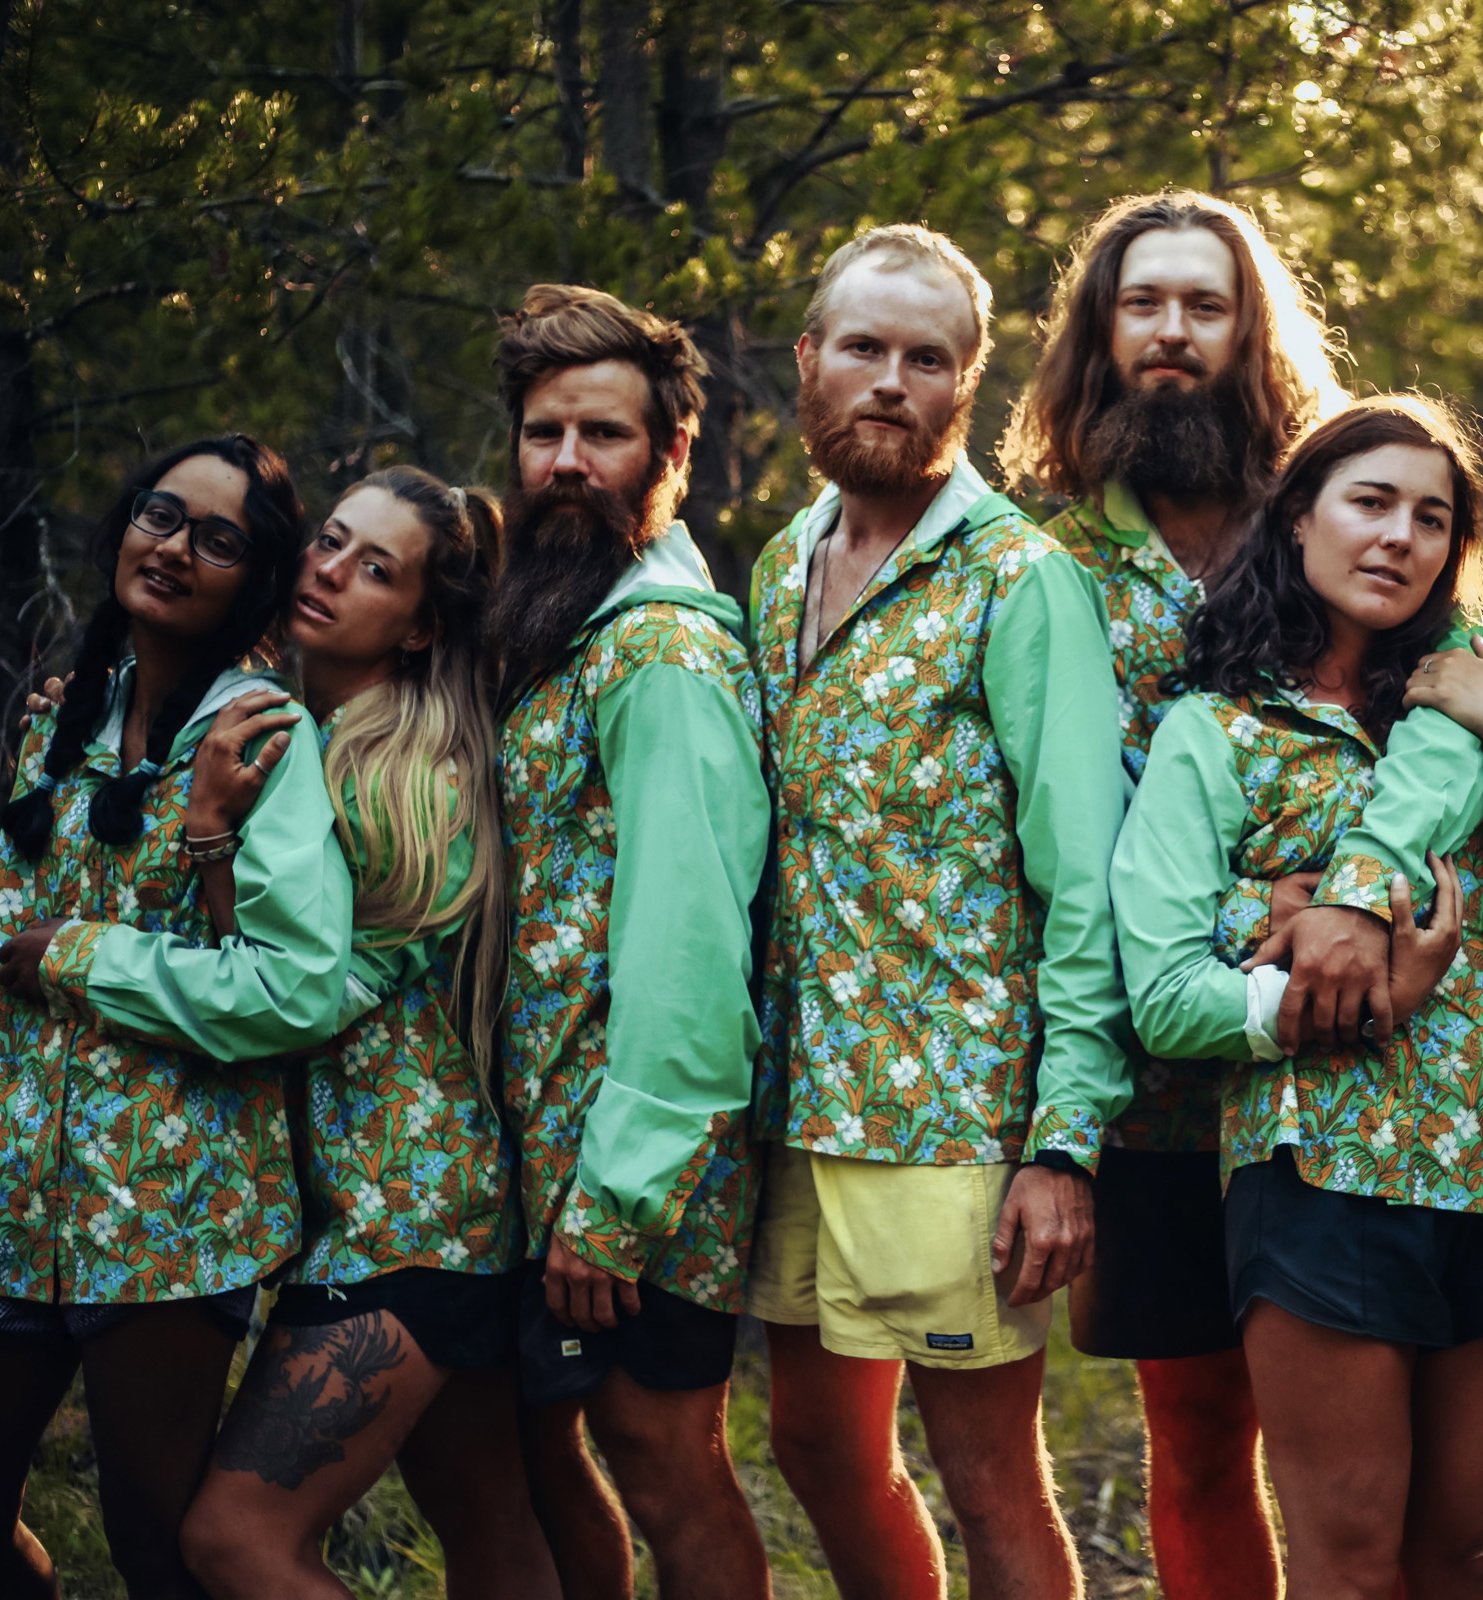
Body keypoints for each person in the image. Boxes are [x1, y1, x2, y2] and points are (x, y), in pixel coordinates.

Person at [1113, 394, 1483, 1600]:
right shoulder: (1214, 732)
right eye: (1370, 502)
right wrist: (1336, 993)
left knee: (1469, 1556)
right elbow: (1163, 996)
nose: (1399, 536)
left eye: (1432, 518)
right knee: (1353, 1565)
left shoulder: (1462, 721)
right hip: (1321, 1179)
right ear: (1298, 518)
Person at [0, 436, 354, 1599]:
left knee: (158, 1550)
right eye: (161, 514)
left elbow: (296, 986)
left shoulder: (264, 739)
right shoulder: (65, 719)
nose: (176, 548)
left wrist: (89, 959)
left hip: (168, 1213)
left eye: (219, 538)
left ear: (255, 581)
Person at [745, 224, 1130, 1600]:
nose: (890, 382)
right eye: (863, 348)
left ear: (968, 381)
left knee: (988, 1478)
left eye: (926, 358)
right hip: (795, 1100)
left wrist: (1062, 1141)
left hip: (954, 1114)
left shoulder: (1020, 580)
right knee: (814, 1446)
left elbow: (1083, 880)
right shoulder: (780, 564)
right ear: (810, 360)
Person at [996, 187, 1345, 1599]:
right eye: (1142, 304)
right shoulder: (1044, 560)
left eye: (1206, 305)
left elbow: (1451, 719)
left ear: (1253, 334)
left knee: (1357, 1445)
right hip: (1147, 1081)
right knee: (1197, 1435)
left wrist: (1358, 887)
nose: (1171, 333)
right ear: (1100, 334)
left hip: (1343, 1054)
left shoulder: (1342, 518)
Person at [173, 467, 557, 1597]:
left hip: (401, 1223)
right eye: (331, 540)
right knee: (490, 1525)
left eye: (375, 568)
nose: (330, 571)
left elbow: (290, 1001)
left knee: (234, 1539)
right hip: (433, 1214)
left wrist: (208, 841)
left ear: (422, 624)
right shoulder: (322, 729)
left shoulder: (394, 775)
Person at [490, 285, 772, 1600]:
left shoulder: (661, 653)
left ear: (671, 454)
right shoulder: (563, 618)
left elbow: (691, 949)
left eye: (602, 435)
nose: (566, 463)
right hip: (542, 1149)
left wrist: (619, 1199)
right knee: (544, 1457)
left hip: (635, 1163)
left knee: (662, 1463)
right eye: (543, 433)